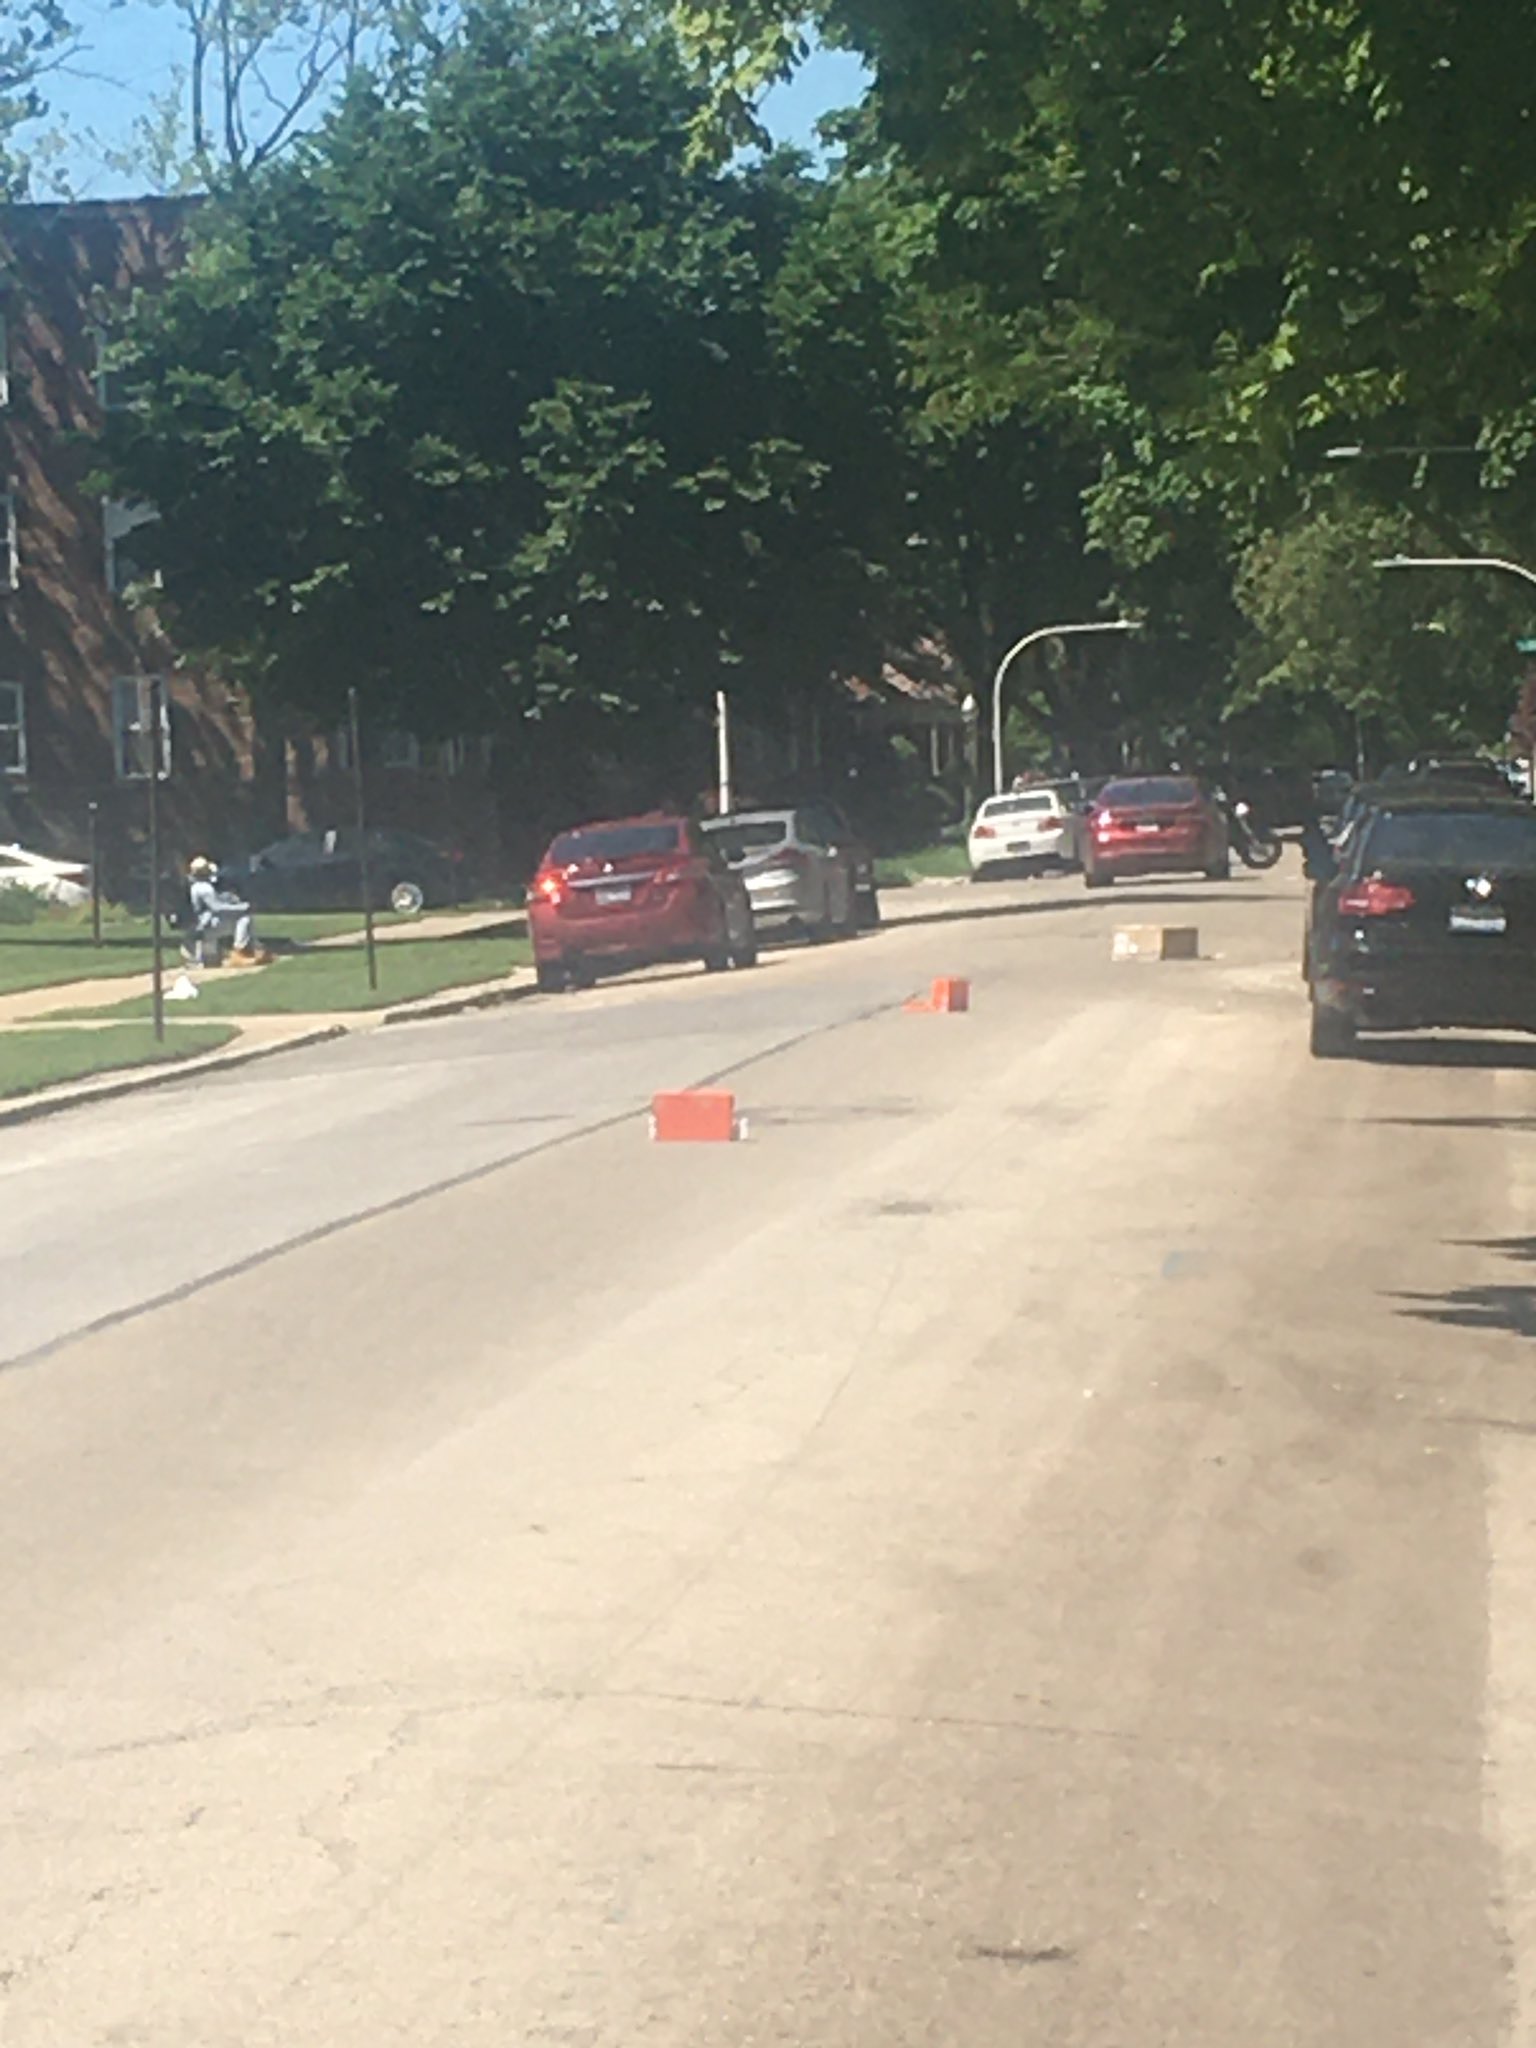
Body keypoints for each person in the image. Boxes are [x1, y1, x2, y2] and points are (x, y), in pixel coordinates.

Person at [185, 855, 267, 965]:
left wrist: (228, 899)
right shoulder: (204, 888)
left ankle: (254, 948)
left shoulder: (196, 886)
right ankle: (241, 951)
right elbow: (217, 908)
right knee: (244, 918)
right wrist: (241, 907)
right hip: (207, 926)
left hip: (201, 924)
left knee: (212, 962)